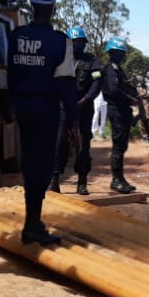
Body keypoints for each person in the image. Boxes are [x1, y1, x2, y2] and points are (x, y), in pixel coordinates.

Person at [6, 0, 77, 245]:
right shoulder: (60, 41)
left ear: (32, 7)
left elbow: (11, 75)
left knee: (29, 163)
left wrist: (12, 105)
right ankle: (32, 223)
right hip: (46, 109)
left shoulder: (16, 37)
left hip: (23, 108)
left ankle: (32, 221)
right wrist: (72, 118)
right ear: (53, 9)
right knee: (44, 165)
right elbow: (65, 83)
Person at [51, 26, 103, 195]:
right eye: (74, 42)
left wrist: (85, 100)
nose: (77, 45)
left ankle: (82, 182)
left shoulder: (92, 61)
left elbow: (97, 83)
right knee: (59, 142)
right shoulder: (60, 59)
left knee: (83, 145)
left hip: (84, 107)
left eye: (80, 42)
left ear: (84, 43)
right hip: (64, 107)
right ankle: (54, 180)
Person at [101, 37, 140, 194]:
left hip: (122, 111)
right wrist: (131, 100)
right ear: (111, 53)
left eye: (121, 53)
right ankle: (116, 180)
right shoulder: (110, 69)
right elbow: (113, 90)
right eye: (118, 53)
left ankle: (120, 178)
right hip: (116, 110)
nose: (121, 56)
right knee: (118, 146)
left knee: (122, 146)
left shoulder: (117, 69)